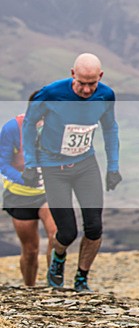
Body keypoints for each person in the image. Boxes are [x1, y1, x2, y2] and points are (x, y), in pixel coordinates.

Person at [22, 53, 122, 292]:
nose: (87, 90)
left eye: (92, 83)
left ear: (100, 76)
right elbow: (28, 125)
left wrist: (113, 167)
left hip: (85, 164)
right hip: (53, 167)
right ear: (72, 74)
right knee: (67, 232)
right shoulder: (51, 93)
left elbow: (110, 129)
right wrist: (30, 163)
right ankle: (58, 259)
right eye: (81, 83)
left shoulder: (106, 95)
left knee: (94, 227)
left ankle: (81, 278)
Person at [0, 98, 57, 287]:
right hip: (19, 195)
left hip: (48, 191)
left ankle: (53, 285)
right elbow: (3, 163)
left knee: (56, 236)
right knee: (31, 250)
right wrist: (23, 178)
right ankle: (29, 289)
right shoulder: (12, 128)